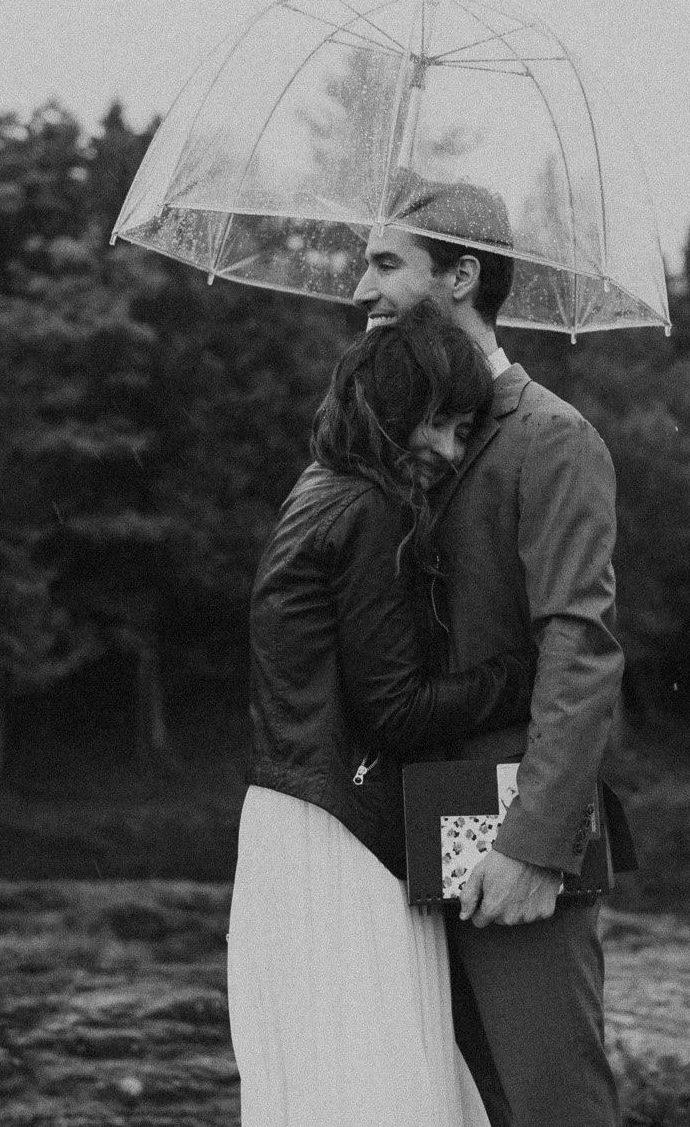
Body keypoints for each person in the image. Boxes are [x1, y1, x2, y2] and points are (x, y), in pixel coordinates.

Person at [353, 174, 633, 1127]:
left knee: (549, 1108)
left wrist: (532, 847)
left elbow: (580, 648)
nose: (360, 287)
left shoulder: (552, 438)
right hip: (397, 831)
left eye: (386, 263)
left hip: (507, 835)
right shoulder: (393, 437)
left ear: (462, 276)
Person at [227, 301, 537, 1127]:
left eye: (463, 427)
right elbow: (394, 710)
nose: (447, 447)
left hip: (295, 817)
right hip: (345, 833)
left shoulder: (319, 487)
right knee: (377, 1082)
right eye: (434, 421)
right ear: (387, 410)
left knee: (329, 1081)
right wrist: (517, 674)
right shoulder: (372, 511)